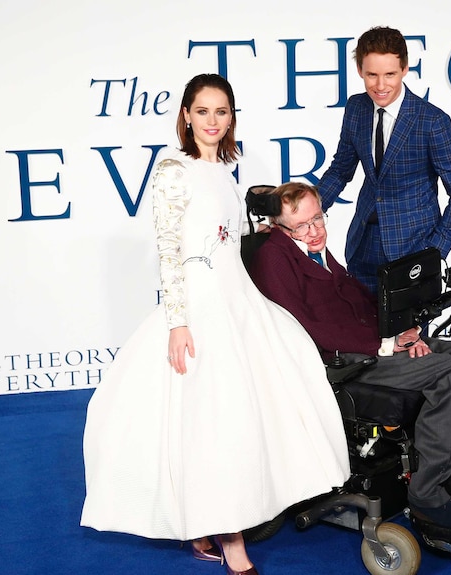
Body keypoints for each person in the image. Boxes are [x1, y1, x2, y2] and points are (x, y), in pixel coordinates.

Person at [80, 75, 350, 575]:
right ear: (185, 115)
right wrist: (179, 323)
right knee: (217, 423)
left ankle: (217, 521)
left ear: (231, 117)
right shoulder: (172, 171)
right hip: (202, 308)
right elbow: (169, 249)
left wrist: (262, 227)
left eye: (221, 111)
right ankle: (232, 540)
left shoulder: (223, 169)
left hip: (239, 299)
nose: (212, 120)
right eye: (202, 111)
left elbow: (222, 233)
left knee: (265, 401)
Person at [249, 182, 451, 534]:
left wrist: (403, 329)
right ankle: (427, 495)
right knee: (448, 372)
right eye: (303, 225)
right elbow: (304, 328)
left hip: (372, 344)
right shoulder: (274, 257)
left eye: (319, 219)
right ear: (278, 226)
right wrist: (386, 345)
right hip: (343, 362)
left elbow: (358, 299)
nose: (315, 231)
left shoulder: (314, 249)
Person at [317, 25, 451, 293]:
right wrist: (305, 214)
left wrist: (434, 252)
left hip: (413, 251)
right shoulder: (356, 108)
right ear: (360, 71)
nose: (380, 85)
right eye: (372, 75)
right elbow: (340, 171)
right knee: (360, 331)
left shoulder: (431, 121)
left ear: (405, 69)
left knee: (409, 336)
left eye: (390, 74)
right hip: (362, 245)